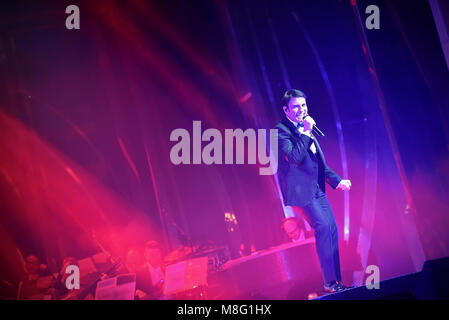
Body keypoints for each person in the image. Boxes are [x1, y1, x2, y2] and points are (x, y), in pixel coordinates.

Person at [275, 89, 352, 293]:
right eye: (296, 107)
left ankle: (336, 281)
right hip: (299, 190)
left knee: (332, 228)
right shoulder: (282, 131)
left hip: (316, 188)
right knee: (323, 226)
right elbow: (294, 158)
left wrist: (337, 181)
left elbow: (318, 164)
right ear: (286, 110)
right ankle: (329, 282)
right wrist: (306, 132)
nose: (301, 110)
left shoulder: (306, 129)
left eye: (304, 105)